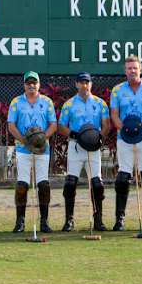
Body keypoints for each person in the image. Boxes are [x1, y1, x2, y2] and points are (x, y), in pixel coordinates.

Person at [109, 56, 142, 231]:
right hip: (124, 137)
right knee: (123, 176)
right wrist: (125, 130)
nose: (132, 71)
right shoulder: (117, 90)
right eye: (129, 68)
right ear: (124, 71)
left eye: (135, 68)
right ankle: (120, 219)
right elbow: (115, 115)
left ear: (141, 69)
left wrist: (139, 129)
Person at [56, 71, 111, 231]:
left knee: (97, 183)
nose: (84, 85)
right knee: (71, 183)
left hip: (93, 149)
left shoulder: (100, 103)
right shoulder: (69, 104)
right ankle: (69, 220)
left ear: (91, 84)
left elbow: (106, 125)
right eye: (81, 82)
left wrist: (97, 139)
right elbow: (61, 126)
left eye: (87, 82)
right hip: (75, 147)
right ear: (76, 84)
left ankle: (98, 219)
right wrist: (75, 135)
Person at [6, 71, 58, 233]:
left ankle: (44, 221)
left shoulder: (47, 102)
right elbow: (11, 125)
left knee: (43, 184)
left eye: (34, 83)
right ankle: (20, 221)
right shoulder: (16, 102)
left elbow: (53, 125)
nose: (31, 85)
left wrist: (41, 139)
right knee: (22, 184)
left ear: (39, 84)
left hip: (43, 149)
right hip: (23, 148)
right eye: (28, 83)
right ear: (24, 85)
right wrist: (25, 141)